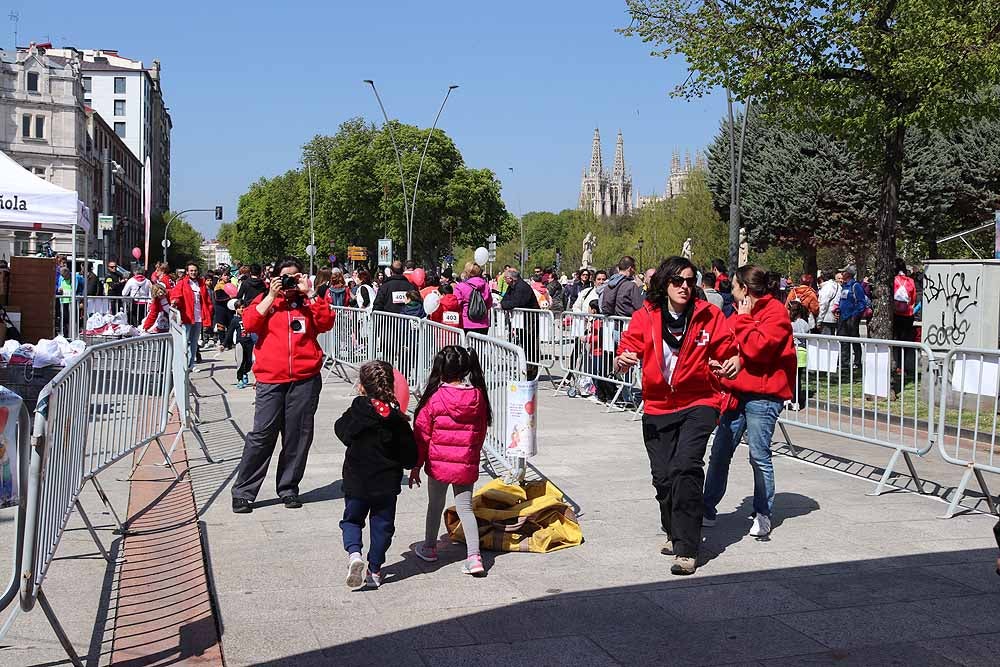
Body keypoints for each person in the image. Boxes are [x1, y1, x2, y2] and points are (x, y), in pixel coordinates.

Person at [615, 256, 738, 575]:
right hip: (657, 406)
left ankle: (687, 547)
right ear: (665, 284)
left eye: (690, 281)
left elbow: (729, 349)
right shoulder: (647, 315)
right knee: (663, 478)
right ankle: (673, 529)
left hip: (699, 401)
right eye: (678, 281)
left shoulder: (708, 314)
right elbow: (627, 347)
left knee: (686, 467)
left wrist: (734, 361)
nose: (685, 286)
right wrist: (623, 359)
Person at [230, 256, 335, 513]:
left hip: (304, 379)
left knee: (298, 436)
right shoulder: (267, 301)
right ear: (274, 277)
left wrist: (309, 293)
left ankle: (288, 488)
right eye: (285, 276)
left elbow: (326, 322)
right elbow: (250, 324)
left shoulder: (307, 302)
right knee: (262, 435)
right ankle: (244, 491)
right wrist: (270, 295)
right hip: (271, 379)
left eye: (295, 276)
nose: (289, 281)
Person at [703, 266, 797, 539]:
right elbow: (729, 344)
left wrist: (744, 322)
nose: (730, 291)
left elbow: (759, 348)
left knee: (759, 455)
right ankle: (707, 507)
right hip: (737, 393)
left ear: (744, 288)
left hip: (764, 396)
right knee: (720, 451)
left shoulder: (775, 312)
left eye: (733, 286)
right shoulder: (739, 312)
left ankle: (763, 512)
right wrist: (719, 361)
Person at [410, 346, 492, 576]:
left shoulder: (434, 398)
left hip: (438, 463)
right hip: (466, 461)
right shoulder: (478, 396)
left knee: (434, 506)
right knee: (466, 508)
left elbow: (422, 435)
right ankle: (474, 556)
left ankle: (429, 547)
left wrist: (417, 465)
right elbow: (480, 432)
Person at [336, 360, 417, 589]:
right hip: (386, 485)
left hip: (356, 481)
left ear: (362, 386)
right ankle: (375, 569)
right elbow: (410, 456)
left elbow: (341, 430)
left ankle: (354, 554)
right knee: (382, 526)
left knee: (351, 520)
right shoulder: (397, 420)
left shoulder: (358, 410)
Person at [501, 268, 542, 380]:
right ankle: (526, 369)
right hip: (520, 321)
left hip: (530, 320)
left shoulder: (522, 287)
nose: (504, 280)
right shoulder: (512, 287)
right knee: (524, 345)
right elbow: (505, 300)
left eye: (505, 278)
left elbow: (517, 302)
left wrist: (506, 304)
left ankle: (532, 372)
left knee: (531, 346)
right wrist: (504, 304)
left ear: (510, 278)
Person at [170, 264, 213, 368]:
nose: (193, 272)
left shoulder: (201, 283)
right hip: (187, 317)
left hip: (198, 317)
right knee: (185, 341)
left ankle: (191, 364)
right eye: (191, 270)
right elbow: (176, 295)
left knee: (194, 342)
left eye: (195, 270)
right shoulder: (182, 283)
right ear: (187, 272)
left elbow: (207, 300)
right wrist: (175, 301)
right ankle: (182, 364)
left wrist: (208, 312)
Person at [837, 268, 867, 371]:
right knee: (843, 340)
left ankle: (857, 362)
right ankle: (845, 363)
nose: (841, 274)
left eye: (843, 272)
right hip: (842, 317)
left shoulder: (856, 286)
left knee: (854, 340)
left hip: (852, 318)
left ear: (848, 274)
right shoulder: (844, 286)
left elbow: (862, 303)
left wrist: (855, 315)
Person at [892, 258, 917, 376]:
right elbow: (913, 298)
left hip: (896, 314)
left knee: (895, 340)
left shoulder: (893, 280)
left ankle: (896, 365)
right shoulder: (910, 281)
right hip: (908, 314)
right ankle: (904, 367)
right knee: (906, 341)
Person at [453, 262, 492, 333]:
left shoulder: (460, 286)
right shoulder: (486, 286)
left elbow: (456, 304)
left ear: (467, 272)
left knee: (467, 344)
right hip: (483, 323)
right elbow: (489, 304)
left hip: (466, 322)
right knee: (481, 344)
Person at [787, 300, 811, 410]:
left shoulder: (789, 324)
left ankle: (792, 400)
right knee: (798, 378)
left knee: (791, 378)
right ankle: (796, 400)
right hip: (803, 353)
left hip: (793, 352)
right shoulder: (805, 324)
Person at [227, 300, 255, 389]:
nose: (241, 309)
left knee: (249, 362)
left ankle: (245, 372)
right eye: (239, 308)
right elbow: (230, 332)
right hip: (240, 343)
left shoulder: (249, 318)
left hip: (250, 342)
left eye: (243, 307)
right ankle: (240, 379)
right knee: (240, 362)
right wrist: (225, 344)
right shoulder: (235, 320)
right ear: (236, 309)